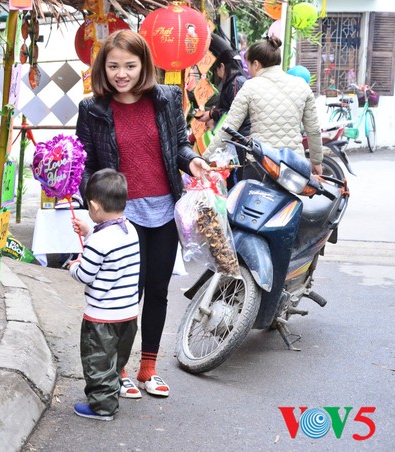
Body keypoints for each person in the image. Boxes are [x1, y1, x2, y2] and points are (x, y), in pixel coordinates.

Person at [75, 29, 210, 398]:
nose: (122, 73)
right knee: (125, 292)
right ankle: (118, 369)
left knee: (158, 291)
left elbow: (179, 144)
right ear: (103, 67)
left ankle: (148, 367)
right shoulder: (92, 108)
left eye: (130, 66)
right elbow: (83, 162)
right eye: (114, 66)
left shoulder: (166, 98)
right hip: (121, 216)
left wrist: (194, 161)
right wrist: (86, 203)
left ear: (143, 66)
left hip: (165, 210)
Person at [67, 169, 140, 420]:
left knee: (97, 361)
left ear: (95, 206)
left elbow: (85, 275)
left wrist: (73, 267)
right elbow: (110, 251)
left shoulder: (99, 241)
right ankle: (110, 391)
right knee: (115, 360)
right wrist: (89, 232)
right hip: (128, 315)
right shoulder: (129, 230)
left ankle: (103, 407)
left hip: (102, 317)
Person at [203, 36, 323, 177]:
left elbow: (229, 127)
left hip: (260, 164)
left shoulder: (250, 86)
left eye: (248, 66)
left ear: (256, 64)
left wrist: (204, 158)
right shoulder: (302, 86)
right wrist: (316, 161)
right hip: (293, 165)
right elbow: (313, 130)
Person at [195, 49, 251, 187]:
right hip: (239, 139)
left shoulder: (235, 83)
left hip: (239, 140)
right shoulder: (239, 81)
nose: (218, 75)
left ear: (222, 66)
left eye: (217, 69)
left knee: (236, 180)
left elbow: (234, 114)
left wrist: (212, 114)